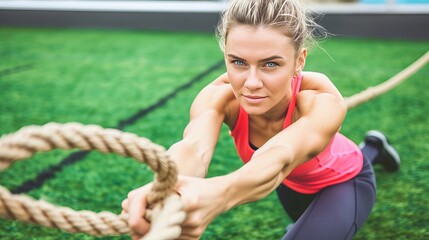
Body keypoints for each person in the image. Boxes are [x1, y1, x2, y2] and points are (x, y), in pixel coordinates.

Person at [121, 0, 401, 239]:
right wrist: (169, 189)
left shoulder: (320, 99)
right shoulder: (219, 96)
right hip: (292, 185)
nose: (251, 83)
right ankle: (375, 145)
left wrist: (218, 193)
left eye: (270, 64)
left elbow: (280, 155)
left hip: (344, 181)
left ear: (299, 60)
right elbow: (194, 147)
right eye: (239, 62)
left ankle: (372, 150)